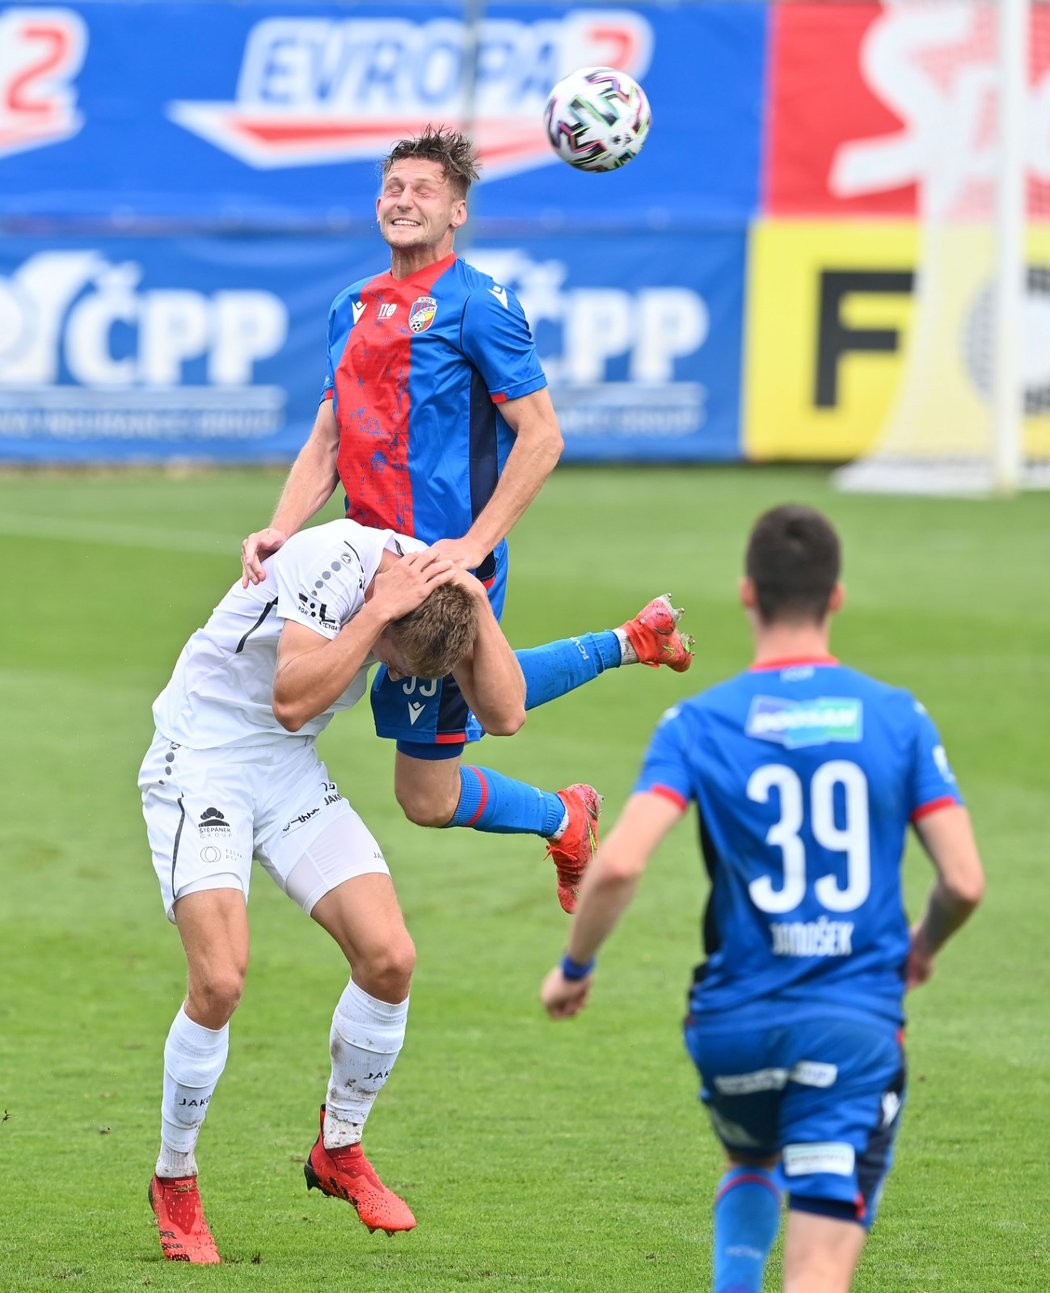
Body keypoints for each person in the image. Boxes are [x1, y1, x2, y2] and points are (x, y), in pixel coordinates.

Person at [239, 125, 693, 914]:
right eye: (392, 187)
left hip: (437, 577)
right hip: (362, 565)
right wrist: (283, 528)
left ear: (456, 211)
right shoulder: (351, 306)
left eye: (422, 190)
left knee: (435, 783)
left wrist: (470, 550)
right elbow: (329, 435)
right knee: (447, 748)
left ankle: (567, 807)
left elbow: (543, 436)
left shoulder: (480, 305)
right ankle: (632, 643)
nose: (402, 200)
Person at [541, 504, 985, 1293]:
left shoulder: (697, 722)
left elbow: (615, 866)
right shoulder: (897, 717)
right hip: (850, 1030)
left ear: (748, 594)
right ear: (836, 596)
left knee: (750, 1155)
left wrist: (575, 967)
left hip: (731, 1032)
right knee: (816, 1272)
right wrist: (922, 947)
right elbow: (964, 881)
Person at [139, 515, 528, 1263]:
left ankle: (339, 1146)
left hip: (287, 772)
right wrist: (378, 612)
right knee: (219, 981)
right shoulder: (334, 561)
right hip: (203, 759)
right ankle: (175, 1176)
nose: (403, 677)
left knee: (390, 957)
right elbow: (291, 697)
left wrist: (477, 599)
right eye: (398, 660)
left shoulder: (438, 587)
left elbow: (505, 712)